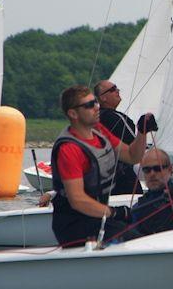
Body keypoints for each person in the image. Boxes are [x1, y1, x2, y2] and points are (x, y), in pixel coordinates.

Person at [51, 84, 157, 247]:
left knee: (149, 233)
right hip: (74, 226)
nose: (96, 108)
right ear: (73, 114)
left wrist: (142, 132)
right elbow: (77, 200)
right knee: (140, 242)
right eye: (89, 105)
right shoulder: (69, 149)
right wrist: (114, 212)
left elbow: (131, 156)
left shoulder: (98, 131)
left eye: (96, 102)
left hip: (97, 219)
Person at [93, 80, 140, 195]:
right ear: (103, 98)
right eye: (113, 89)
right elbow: (137, 147)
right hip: (121, 178)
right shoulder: (116, 118)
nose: (117, 91)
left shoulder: (92, 119)